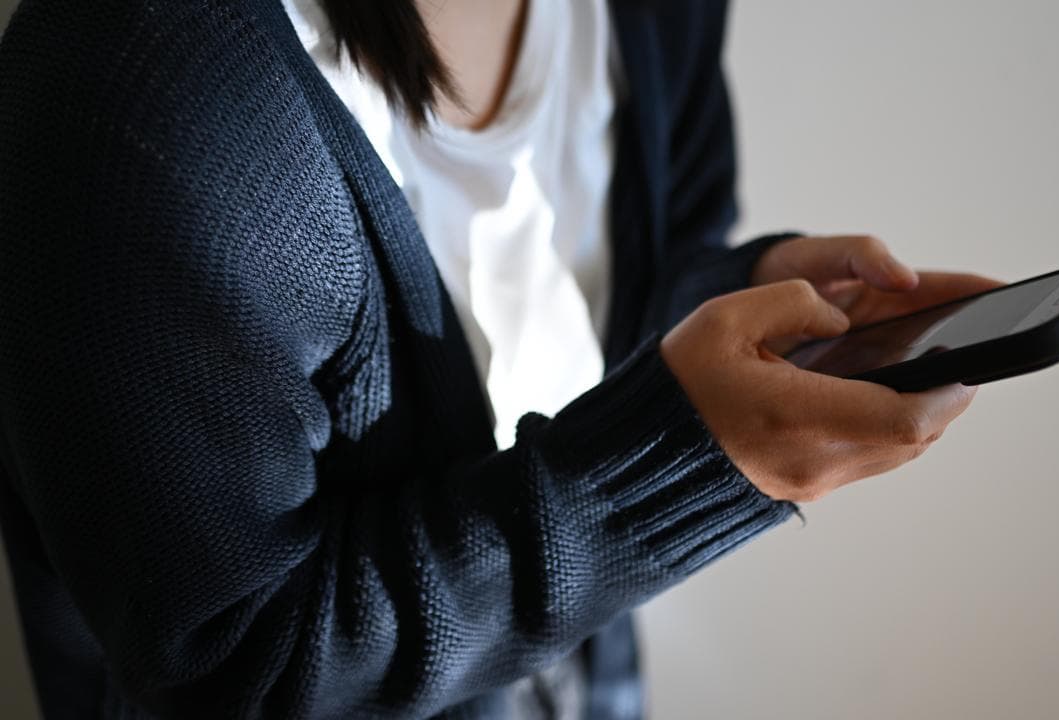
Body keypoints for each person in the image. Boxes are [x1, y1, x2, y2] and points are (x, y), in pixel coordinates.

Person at [0, 0, 998, 717]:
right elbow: (230, 667)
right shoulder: (145, 77)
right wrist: (690, 462)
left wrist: (736, 296)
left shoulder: (653, 20)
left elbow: (605, 285)